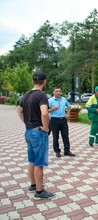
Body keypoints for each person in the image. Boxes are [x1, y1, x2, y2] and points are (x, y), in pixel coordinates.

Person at [16, 70, 56, 199]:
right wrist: (45, 128)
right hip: (38, 133)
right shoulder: (41, 96)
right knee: (39, 163)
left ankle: (33, 185)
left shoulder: (26, 94)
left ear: (34, 81)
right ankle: (39, 191)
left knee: (32, 160)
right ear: (44, 82)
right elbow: (44, 113)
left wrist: (27, 123)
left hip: (28, 131)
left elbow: (19, 110)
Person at [48, 87, 75, 157]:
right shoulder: (50, 101)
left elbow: (69, 107)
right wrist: (53, 109)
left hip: (63, 120)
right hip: (54, 120)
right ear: (53, 92)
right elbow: (46, 111)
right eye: (56, 91)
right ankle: (57, 151)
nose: (58, 92)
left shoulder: (64, 99)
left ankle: (67, 150)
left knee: (65, 136)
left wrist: (67, 114)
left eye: (59, 91)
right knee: (55, 136)